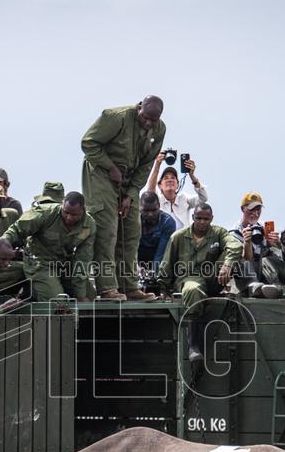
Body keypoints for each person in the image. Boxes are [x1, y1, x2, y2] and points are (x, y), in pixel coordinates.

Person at [81, 96, 165, 302]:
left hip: (129, 179)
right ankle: (107, 287)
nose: (148, 123)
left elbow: (147, 164)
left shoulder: (159, 129)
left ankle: (129, 286)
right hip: (100, 174)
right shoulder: (115, 117)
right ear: (139, 109)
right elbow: (88, 143)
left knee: (131, 231)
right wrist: (110, 166)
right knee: (107, 230)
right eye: (145, 118)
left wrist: (131, 193)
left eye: (153, 120)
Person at [157, 204, 241, 360]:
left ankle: (248, 286)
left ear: (211, 219)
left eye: (206, 219)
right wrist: (163, 288)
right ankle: (193, 345)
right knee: (193, 290)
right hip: (189, 278)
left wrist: (227, 265)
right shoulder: (178, 237)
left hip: (213, 278)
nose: (202, 222)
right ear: (193, 217)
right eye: (199, 218)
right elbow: (167, 263)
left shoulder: (218, 233)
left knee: (235, 254)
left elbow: (235, 245)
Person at [2, 192, 95, 302]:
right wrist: (1, 245)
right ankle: (33, 290)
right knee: (58, 301)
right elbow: (16, 229)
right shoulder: (45, 213)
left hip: (63, 265)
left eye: (74, 215)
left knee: (90, 296)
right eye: (66, 212)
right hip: (40, 263)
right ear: (62, 205)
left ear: (83, 210)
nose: (69, 218)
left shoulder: (89, 225)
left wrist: (80, 295)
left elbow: (83, 260)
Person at [228, 192, 280, 298]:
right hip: (244, 279)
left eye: (258, 209)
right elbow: (246, 259)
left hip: (261, 272)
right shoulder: (234, 233)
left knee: (273, 256)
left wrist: (273, 244)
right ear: (243, 209)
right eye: (251, 209)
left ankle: (276, 286)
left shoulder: (263, 228)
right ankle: (255, 288)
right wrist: (247, 242)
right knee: (243, 263)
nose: (255, 213)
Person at [144, 156, 207, 229]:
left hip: (184, 236)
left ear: (177, 185)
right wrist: (157, 165)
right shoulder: (157, 200)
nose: (170, 180)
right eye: (166, 178)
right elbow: (150, 192)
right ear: (160, 185)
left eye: (173, 178)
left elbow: (203, 198)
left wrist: (192, 176)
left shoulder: (184, 198)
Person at [137, 191, 176, 274]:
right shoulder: (133, 220)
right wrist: (136, 267)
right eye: (146, 211)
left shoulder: (168, 222)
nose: (150, 214)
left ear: (159, 205)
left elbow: (161, 253)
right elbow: (130, 248)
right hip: (137, 257)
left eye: (154, 210)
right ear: (140, 208)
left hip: (158, 258)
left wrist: (153, 273)